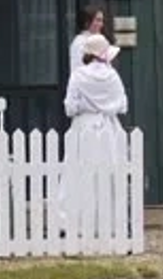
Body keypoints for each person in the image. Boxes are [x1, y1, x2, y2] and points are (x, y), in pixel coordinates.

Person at [59, 33, 128, 237]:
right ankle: (109, 222)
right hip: (108, 126)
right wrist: (105, 105)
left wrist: (85, 105)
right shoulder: (112, 76)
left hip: (84, 126)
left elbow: (70, 107)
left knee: (78, 174)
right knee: (107, 175)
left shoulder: (78, 75)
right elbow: (123, 105)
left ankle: (73, 222)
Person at [68, 4, 106, 76]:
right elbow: (79, 69)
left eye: (102, 21)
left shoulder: (99, 39)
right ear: (87, 22)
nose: (101, 24)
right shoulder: (80, 42)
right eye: (98, 20)